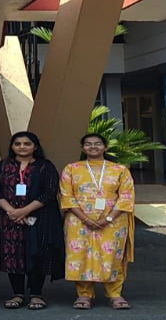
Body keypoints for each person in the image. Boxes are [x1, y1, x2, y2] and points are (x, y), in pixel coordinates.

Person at [59, 133, 135, 311]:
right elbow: (66, 196)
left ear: (105, 147)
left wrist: (108, 218)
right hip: (78, 220)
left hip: (113, 221)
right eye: (88, 144)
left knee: (112, 256)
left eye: (98, 143)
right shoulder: (71, 169)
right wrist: (85, 218)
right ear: (82, 148)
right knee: (81, 255)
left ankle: (115, 294)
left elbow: (126, 197)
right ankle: (84, 294)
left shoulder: (120, 169)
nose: (93, 147)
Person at [0, 132, 64, 311]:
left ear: (35, 146)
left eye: (27, 144)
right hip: (8, 218)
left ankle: (36, 294)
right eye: (18, 144)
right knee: (12, 255)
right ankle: (17, 293)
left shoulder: (45, 166)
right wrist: (11, 211)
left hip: (39, 217)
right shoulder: (1, 166)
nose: (22, 147)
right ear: (12, 146)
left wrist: (24, 211)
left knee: (37, 253)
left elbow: (50, 192)